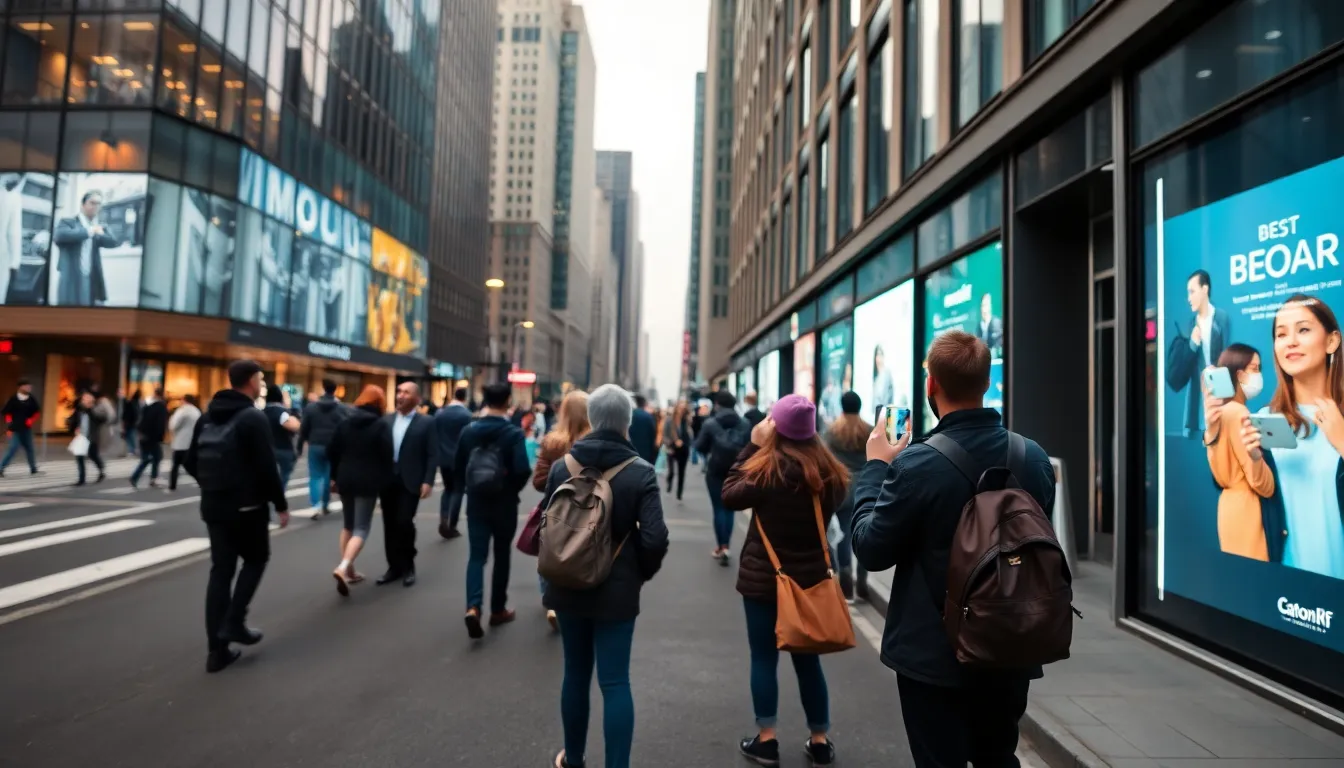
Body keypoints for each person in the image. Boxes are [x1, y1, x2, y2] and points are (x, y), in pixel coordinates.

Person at [852, 330, 1055, 767]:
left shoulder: (915, 465)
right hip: (1010, 648)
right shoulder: (1033, 458)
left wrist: (874, 470)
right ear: (985, 384)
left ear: (931, 386)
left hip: (933, 657)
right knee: (998, 757)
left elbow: (870, 549)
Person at [542, 384, 670, 768]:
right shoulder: (641, 473)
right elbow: (655, 537)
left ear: (592, 419)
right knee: (615, 682)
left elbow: (548, 527)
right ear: (628, 422)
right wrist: (636, 573)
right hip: (616, 590)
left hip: (566, 583)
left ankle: (575, 757)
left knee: (575, 675)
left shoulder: (562, 467)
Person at [721, 394, 847, 767]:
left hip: (764, 580)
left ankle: (767, 740)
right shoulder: (830, 474)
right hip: (808, 581)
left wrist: (752, 445)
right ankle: (820, 740)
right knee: (808, 662)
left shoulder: (766, 470)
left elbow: (729, 494)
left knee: (764, 658)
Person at [184, 360, 290, 674]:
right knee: (256, 559)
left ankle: (216, 653)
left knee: (221, 572)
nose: (262, 384)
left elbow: (190, 460)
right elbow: (267, 468)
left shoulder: (207, 417)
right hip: (247, 508)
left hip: (214, 507)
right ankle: (234, 622)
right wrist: (280, 505)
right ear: (250, 381)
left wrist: (212, 486)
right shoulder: (252, 418)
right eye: (260, 379)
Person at [1226, 294, 1344, 578]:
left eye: (1303, 330)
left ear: (1331, 341)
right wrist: (1253, 461)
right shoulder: (1266, 419)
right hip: (1287, 586)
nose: (1290, 341)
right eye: (1281, 334)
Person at [455, 382, 531, 637]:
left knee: (477, 557)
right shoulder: (513, 433)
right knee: (501, 555)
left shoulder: (469, 431)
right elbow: (522, 470)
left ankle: (473, 607)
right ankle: (498, 610)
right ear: (508, 401)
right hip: (504, 503)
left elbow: (459, 466)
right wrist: (510, 489)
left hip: (476, 501)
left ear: (485, 401)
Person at [1199, 343, 1272, 561]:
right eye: (1255, 369)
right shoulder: (1241, 414)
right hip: (1248, 512)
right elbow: (1263, 486)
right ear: (1240, 374)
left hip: (1228, 509)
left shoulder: (1219, 415)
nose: (1259, 375)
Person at [327, 385, 395, 595]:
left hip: (345, 477)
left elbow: (332, 450)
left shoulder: (345, 421)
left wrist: (334, 477)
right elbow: (387, 455)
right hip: (368, 480)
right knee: (361, 527)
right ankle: (343, 566)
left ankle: (349, 571)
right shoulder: (380, 425)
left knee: (348, 525)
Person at [533, 389, 591, 630]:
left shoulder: (551, 442)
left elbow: (538, 481)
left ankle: (553, 603)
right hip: (589, 510)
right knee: (584, 554)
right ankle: (579, 600)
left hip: (556, 509)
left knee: (551, 554)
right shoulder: (595, 444)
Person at [379, 381, 437, 587]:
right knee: (389, 524)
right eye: (399, 392)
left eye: (406, 392)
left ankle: (408, 564)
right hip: (387, 480)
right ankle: (393, 567)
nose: (400, 396)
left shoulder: (427, 423)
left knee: (404, 522)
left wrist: (428, 481)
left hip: (410, 480)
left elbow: (432, 454)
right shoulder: (386, 420)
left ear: (416, 399)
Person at [1167, 269, 1232, 438]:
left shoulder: (1222, 318)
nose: (1188, 298)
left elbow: (1230, 355)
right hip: (1198, 393)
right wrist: (1192, 344)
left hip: (1221, 390)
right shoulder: (1190, 325)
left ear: (1205, 289)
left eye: (1192, 292)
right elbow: (1183, 369)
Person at [825, 391, 873, 602]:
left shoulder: (832, 431)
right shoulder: (869, 430)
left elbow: (826, 459)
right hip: (866, 486)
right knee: (865, 533)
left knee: (844, 533)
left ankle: (846, 583)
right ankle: (862, 580)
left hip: (842, 487)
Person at [695, 391, 750, 565]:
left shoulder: (710, 423)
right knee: (730, 508)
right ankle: (727, 546)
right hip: (737, 471)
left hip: (715, 471)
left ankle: (722, 545)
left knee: (718, 508)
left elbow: (699, 446)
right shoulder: (745, 423)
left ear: (717, 404)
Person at [52, 191, 118, 307]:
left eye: (98, 204)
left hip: (91, 277)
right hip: (72, 276)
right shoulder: (68, 222)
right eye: (92, 203)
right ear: (83, 205)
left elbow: (113, 242)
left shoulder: (99, 226)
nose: (96, 207)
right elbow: (59, 236)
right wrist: (90, 231)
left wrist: (101, 230)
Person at [297, 379, 348, 519]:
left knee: (315, 476)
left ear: (323, 388)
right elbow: (345, 428)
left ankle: (315, 506)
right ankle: (325, 504)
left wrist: (300, 446)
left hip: (315, 444)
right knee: (328, 476)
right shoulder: (341, 408)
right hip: (333, 446)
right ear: (335, 390)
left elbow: (304, 428)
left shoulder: (311, 408)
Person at [433, 386, 474, 539]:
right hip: (460, 458)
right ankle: (452, 524)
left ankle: (443, 518)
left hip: (443, 457)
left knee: (447, 489)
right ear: (464, 397)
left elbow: (435, 435)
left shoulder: (440, 414)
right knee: (458, 490)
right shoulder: (466, 415)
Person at [0, 378, 41, 476]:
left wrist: (31, 420)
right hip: (15, 429)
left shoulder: (31, 399)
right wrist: (9, 422)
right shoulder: (13, 399)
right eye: (27, 386)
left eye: (29, 386)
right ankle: (1, 468)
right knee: (13, 448)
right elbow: (6, 412)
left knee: (29, 448)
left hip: (26, 428)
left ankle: (33, 468)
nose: (29, 388)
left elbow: (37, 412)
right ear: (21, 387)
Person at [262, 385, 300, 489]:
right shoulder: (281, 413)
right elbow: (295, 426)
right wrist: (292, 410)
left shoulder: (261, 412)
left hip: (265, 449)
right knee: (284, 474)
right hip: (283, 448)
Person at [129, 387, 168, 489]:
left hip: (143, 434)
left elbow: (141, 419)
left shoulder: (147, 405)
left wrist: (140, 432)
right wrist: (161, 436)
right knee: (156, 457)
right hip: (153, 436)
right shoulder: (161, 407)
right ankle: (151, 478)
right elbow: (161, 423)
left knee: (148, 457)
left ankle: (137, 477)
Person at [68, 390, 107, 485]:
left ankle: (101, 469)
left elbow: (102, 419)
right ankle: (82, 479)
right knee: (79, 457)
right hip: (81, 437)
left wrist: (91, 409)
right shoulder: (79, 410)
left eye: (87, 399)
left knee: (93, 455)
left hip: (92, 437)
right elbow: (73, 421)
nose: (85, 400)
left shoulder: (95, 409)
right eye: (84, 399)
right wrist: (74, 428)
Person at [167, 394, 202, 491]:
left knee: (175, 465)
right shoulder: (196, 411)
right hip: (191, 442)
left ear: (184, 400)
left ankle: (172, 485)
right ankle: (200, 481)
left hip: (180, 442)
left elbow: (173, 425)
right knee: (191, 465)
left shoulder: (182, 411)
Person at [662, 401, 692, 501]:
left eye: (683, 409)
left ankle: (679, 492)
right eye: (680, 408)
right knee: (671, 471)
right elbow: (665, 435)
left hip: (684, 448)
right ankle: (669, 484)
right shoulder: (669, 420)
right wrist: (673, 442)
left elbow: (691, 435)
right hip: (672, 447)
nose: (681, 410)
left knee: (681, 472)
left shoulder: (687, 420)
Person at [629, 394, 658, 465]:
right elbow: (653, 437)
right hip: (645, 456)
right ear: (644, 404)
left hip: (630, 455)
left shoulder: (628, 415)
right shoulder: (648, 417)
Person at [977, 292, 1004, 357]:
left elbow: (997, 347)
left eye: (986, 305)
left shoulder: (997, 323)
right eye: (982, 306)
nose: (984, 310)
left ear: (991, 306)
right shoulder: (979, 326)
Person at [121, 390, 140, 457]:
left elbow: (126, 414)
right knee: (131, 436)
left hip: (129, 423)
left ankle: (132, 450)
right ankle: (133, 450)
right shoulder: (136, 403)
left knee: (129, 437)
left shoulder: (130, 403)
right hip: (133, 423)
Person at [690, 401, 708, 468]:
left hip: (701, 437)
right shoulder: (697, 418)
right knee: (698, 449)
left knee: (702, 451)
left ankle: (704, 464)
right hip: (697, 436)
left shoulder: (705, 418)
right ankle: (699, 461)